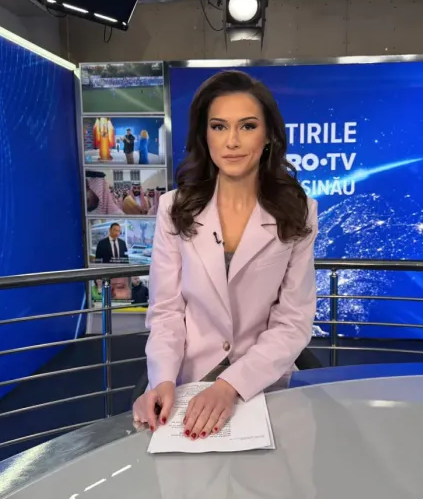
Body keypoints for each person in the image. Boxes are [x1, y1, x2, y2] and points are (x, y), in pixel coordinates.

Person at [133, 70, 318, 440]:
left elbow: (293, 321)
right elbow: (167, 311)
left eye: (247, 126)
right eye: (219, 127)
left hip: (261, 374)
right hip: (188, 373)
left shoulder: (300, 211)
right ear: (205, 135)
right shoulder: (174, 208)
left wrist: (230, 385)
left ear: (268, 135)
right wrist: (163, 377)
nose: (232, 141)